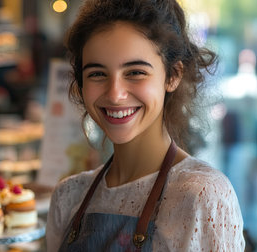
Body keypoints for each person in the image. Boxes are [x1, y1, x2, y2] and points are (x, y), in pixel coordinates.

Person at [45, 0, 245, 251]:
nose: (115, 94)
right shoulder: (68, 195)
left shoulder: (203, 196)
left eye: (135, 72)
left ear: (173, 75)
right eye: (97, 73)